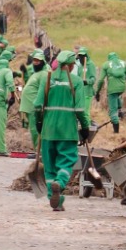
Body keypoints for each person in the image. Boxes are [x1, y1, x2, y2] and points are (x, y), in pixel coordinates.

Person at [34, 49, 92, 212]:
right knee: (67, 161)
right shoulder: (76, 81)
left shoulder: (47, 78)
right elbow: (80, 109)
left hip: (48, 130)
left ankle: (56, 200)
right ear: (71, 65)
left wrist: (38, 122)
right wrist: (85, 127)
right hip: (67, 130)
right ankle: (59, 182)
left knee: (49, 165)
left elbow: (38, 106)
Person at [19, 49, 49, 149]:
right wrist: (24, 72)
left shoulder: (44, 74)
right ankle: (38, 149)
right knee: (33, 130)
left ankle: (39, 151)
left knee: (35, 129)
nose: (35, 62)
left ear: (43, 62)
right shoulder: (36, 73)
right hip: (29, 106)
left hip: (34, 107)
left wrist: (39, 106)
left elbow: (43, 91)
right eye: (34, 60)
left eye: (38, 61)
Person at [99, 51, 126, 134]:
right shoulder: (123, 64)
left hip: (112, 90)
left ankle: (116, 132)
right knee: (117, 96)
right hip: (122, 88)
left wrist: (97, 91)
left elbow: (100, 80)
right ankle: (120, 110)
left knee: (112, 111)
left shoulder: (106, 65)